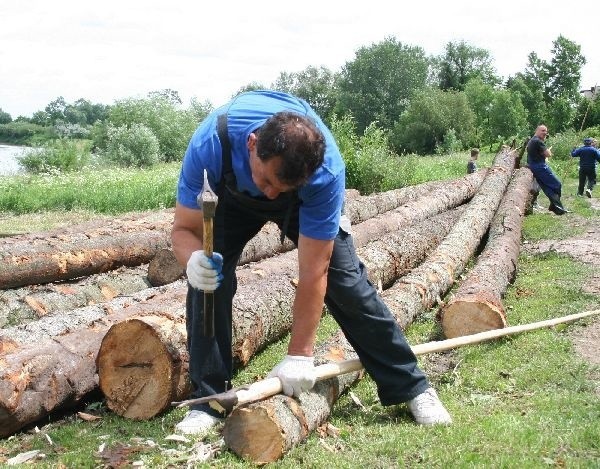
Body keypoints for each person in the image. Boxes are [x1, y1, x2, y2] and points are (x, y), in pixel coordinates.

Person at [171, 90, 452, 435]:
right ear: (253, 144)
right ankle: (208, 401)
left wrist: (300, 354)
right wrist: (192, 261)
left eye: (281, 186)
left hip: (303, 202)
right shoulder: (212, 145)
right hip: (230, 198)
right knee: (209, 281)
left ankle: (413, 386)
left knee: (345, 282)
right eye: (267, 180)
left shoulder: (325, 173)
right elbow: (185, 229)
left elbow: (313, 271)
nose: (271, 194)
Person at [526, 125, 567, 215]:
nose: (545, 133)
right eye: (542, 130)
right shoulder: (537, 141)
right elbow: (548, 154)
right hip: (540, 167)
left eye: (546, 131)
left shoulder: (532, 140)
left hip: (534, 166)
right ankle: (555, 207)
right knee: (557, 185)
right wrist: (548, 151)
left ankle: (557, 208)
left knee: (546, 187)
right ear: (536, 130)